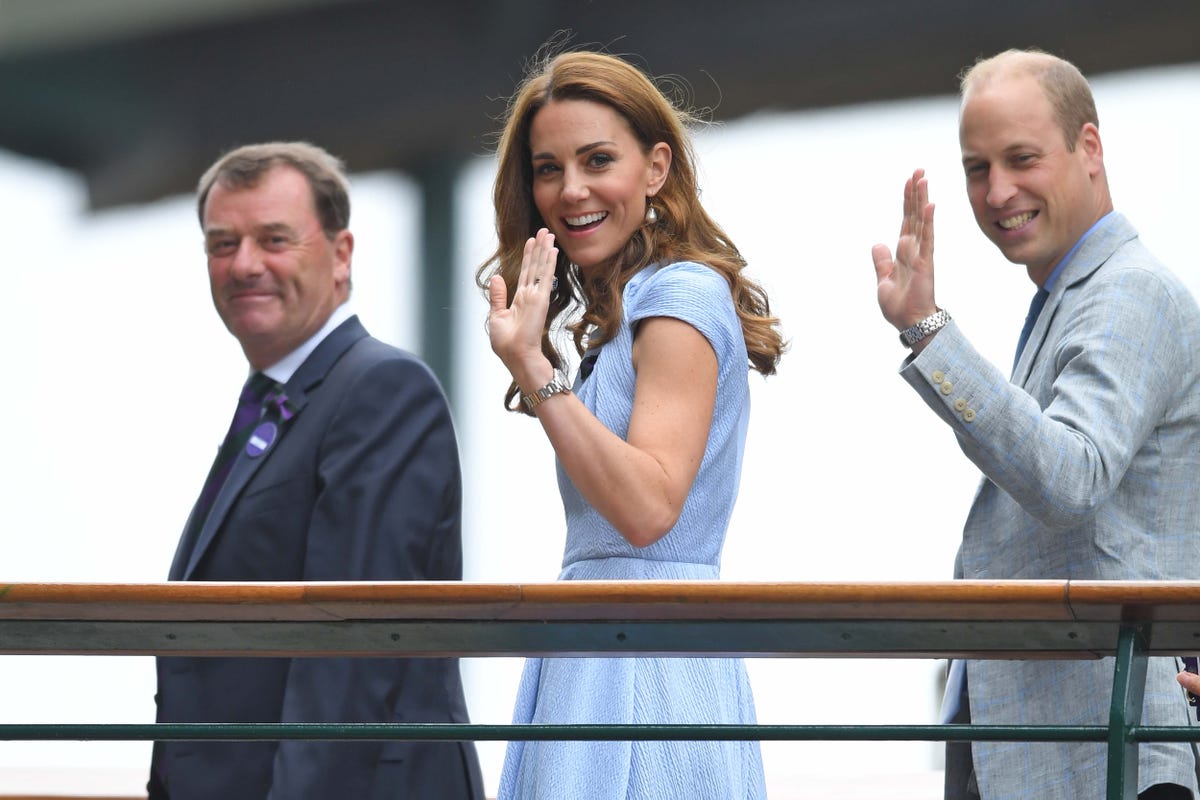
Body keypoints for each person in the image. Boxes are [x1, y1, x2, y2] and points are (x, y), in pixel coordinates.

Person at [871, 49, 1200, 799]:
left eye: (1020, 158)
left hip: (1097, 749)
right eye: (976, 168)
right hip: (1049, 742)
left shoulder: (1130, 293)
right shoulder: (1073, 295)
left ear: (1090, 148)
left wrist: (929, 331)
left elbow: (1068, 478)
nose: (998, 191)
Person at [478, 50, 785, 799]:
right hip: (598, 654)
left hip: (649, 667)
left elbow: (649, 507)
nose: (570, 189)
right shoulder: (619, 318)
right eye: (547, 168)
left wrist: (532, 367)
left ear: (656, 168)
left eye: (597, 160)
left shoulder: (679, 293)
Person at [150, 141, 484, 800]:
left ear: (341, 254)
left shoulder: (380, 389)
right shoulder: (272, 402)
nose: (244, 264)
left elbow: (349, 646)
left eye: (275, 239)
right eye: (222, 244)